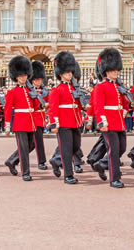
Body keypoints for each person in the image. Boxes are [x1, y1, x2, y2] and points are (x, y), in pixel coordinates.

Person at [93, 48, 130, 188]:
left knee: (122, 148)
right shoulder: (101, 87)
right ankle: (114, 179)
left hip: (120, 122)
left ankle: (101, 164)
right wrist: (102, 122)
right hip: (108, 122)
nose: (116, 72)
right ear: (106, 70)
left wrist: (129, 104)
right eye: (113, 70)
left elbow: (124, 104)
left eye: (116, 70)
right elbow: (99, 106)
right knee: (114, 150)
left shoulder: (119, 86)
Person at [47, 51, 84, 184]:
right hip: (63, 123)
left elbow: (79, 105)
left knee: (76, 147)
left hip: (75, 121)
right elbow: (53, 108)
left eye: (71, 72)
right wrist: (54, 124)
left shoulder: (75, 89)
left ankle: (57, 161)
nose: (70, 74)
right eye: (67, 72)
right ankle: (68, 175)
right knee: (66, 149)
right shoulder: (56, 90)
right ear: (61, 73)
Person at [3, 56, 39, 181]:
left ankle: (12, 160)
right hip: (20, 122)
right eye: (20, 76)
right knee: (23, 148)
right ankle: (25, 172)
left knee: (31, 146)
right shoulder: (12, 92)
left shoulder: (31, 90)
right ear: (16, 77)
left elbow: (35, 106)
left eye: (25, 75)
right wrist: (7, 125)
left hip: (31, 121)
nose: (23, 77)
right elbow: (7, 109)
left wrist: (36, 97)